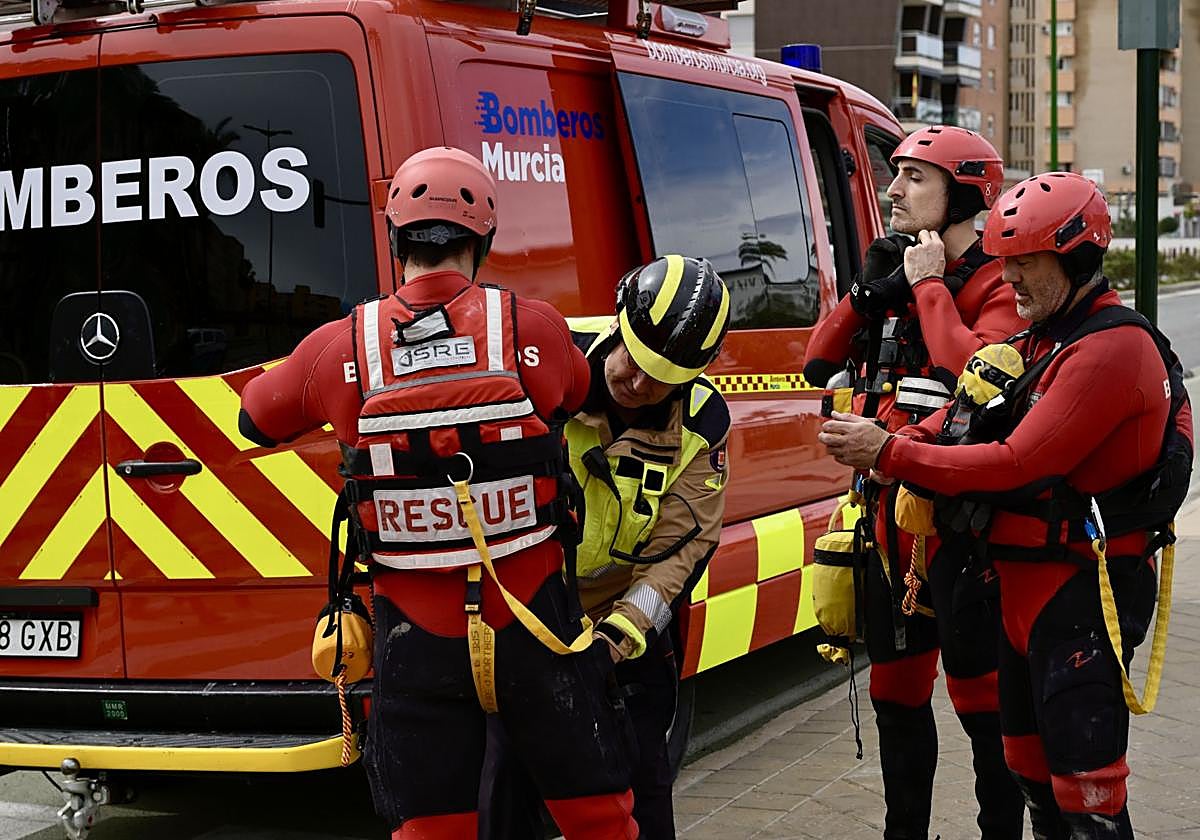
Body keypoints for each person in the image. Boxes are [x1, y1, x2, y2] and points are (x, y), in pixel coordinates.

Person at [238, 146, 638, 840]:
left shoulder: (342, 346)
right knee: (602, 821)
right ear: (481, 241)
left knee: (431, 831)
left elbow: (255, 417)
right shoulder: (530, 328)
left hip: (414, 642)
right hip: (536, 630)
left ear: (395, 240)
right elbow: (576, 391)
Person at [819, 171, 1193, 840]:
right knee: (1031, 773)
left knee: (1087, 792)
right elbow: (970, 414)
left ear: (1076, 257)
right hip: (1023, 597)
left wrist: (890, 455)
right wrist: (898, 438)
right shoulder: (1039, 339)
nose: (1010, 276)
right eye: (1005, 260)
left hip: (1082, 599)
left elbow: (1018, 461)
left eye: (1025, 261)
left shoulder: (1112, 350)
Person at [803, 125, 1027, 839]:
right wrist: (872, 295)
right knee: (895, 695)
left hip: (964, 530)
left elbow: (976, 375)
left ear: (964, 193)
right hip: (884, 523)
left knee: (981, 702)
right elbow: (818, 358)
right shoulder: (897, 272)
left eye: (913, 177)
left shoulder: (999, 283)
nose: (893, 190)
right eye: (893, 173)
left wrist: (928, 286)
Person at [480, 254, 732, 840]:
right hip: (526, 614)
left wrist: (618, 637)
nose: (639, 384)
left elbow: (683, 546)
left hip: (623, 627)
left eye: (663, 377)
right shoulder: (544, 368)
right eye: (635, 360)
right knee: (504, 787)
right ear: (618, 321)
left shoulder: (701, 422)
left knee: (643, 782)